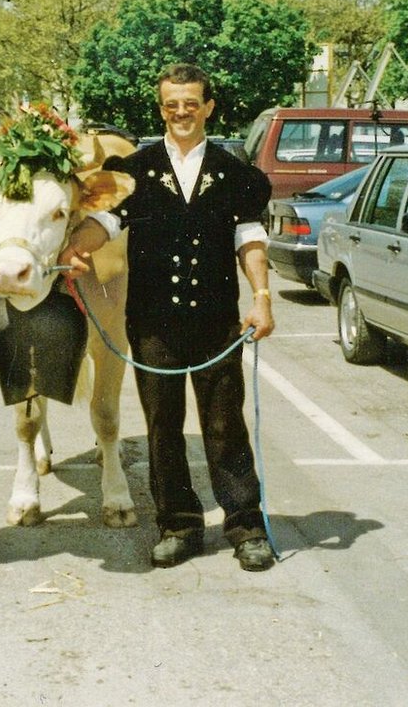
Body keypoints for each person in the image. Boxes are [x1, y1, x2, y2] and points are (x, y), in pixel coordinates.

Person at [59, 63, 277, 572]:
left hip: (217, 321)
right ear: (162, 109)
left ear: (208, 108)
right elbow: (104, 223)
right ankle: (179, 525)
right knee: (162, 426)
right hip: (153, 323)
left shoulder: (233, 171)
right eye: (171, 104)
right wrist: (75, 247)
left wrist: (262, 296)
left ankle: (246, 525)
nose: (182, 112)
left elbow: (250, 239)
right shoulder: (136, 170)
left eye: (191, 103)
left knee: (225, 426)